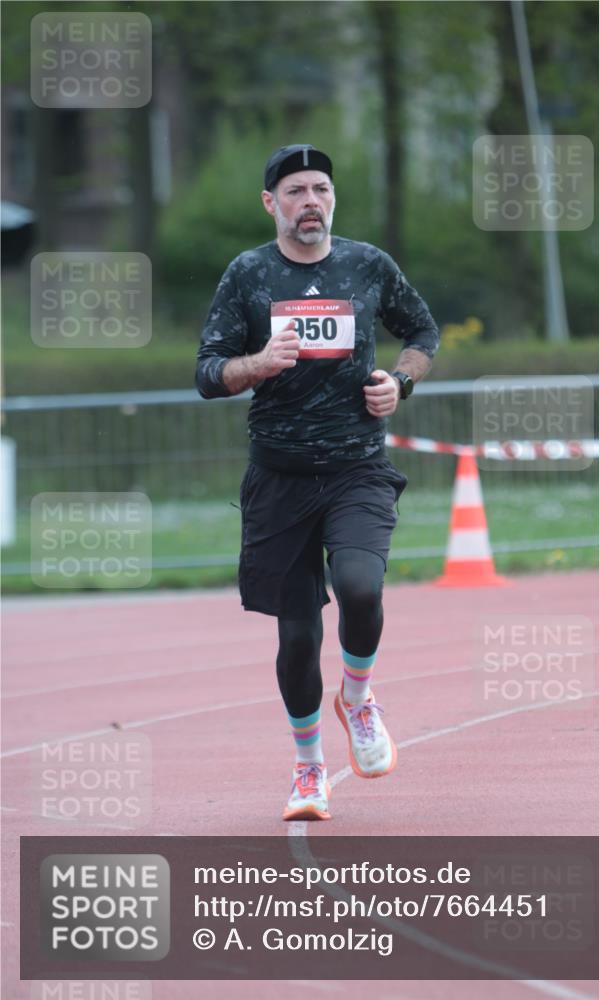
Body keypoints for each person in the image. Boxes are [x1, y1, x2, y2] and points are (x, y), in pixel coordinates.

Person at [196, 144, 440, 821]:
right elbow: (208, 372)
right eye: (296, 190)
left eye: (321, 189)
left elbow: (420, 329)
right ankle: (308, 772)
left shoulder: (365, 265)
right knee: (298, 637)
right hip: (279, 480)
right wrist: (257, 363)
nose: (311, 201)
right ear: (271, 203)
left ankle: (357, 700)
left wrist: (402, 381)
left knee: (361, 588)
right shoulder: (248, 275)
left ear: (333, 199)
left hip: (356, 466)